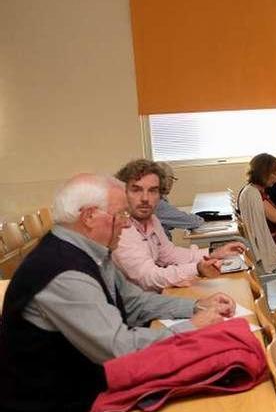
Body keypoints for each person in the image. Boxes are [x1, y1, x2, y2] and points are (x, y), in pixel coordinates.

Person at [0, 174, 235, 412]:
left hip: (87, 387)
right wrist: (192, 328)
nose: (126, 223)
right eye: (121, 214)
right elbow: (119, 349)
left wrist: (195, 306)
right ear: (89, 216)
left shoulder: (91, 251)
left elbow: (133, 302)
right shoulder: (62, 270)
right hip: (62, 401)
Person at [113, 159, 245, 292]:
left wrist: (213, 253)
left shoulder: (152, 220)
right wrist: (198, 268)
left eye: (153, 191)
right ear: (122, 193)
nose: (145, 198)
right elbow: (148, 277)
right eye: (136, 190)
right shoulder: (121, 229)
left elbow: (170, 254)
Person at [238, 153, 276, 272]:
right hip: (270, 244)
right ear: (264, 173)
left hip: (269, 237)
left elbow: (274, 214)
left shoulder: (255, 190)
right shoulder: (253, 193)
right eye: (275, 173)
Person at [154, 161, 204, 238]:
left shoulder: (160, 198)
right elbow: (192, 222)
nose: (171, 183)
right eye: (171, 179)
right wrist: (200, 218)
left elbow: (169, 222)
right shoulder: (156, 203)